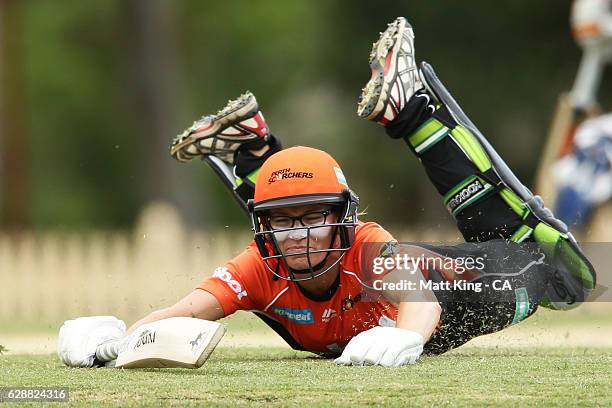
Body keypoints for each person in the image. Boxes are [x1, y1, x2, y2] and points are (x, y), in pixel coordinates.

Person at [58, 17, 596, 368]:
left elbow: (419, 300)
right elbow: (185, 312)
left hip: (465, 287)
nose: (300, 235)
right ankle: (252, 151)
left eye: (316, 217)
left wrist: (407, 337)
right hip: (348, 328)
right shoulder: (255, 267)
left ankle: (412, 112)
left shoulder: (369, 249)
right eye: (283, 221)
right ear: (260, 229)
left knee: (568, 277)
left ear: (345, 218)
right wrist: (115, 344)